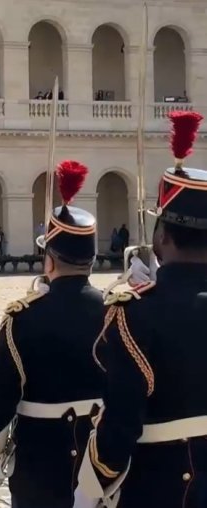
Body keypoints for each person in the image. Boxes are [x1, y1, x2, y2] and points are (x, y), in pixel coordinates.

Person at [75, 111, 207, 508]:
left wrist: (89, 487)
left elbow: (119, 429)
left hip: (162, 487)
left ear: (162, 237)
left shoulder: (134, 313)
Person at [0, 160, 105, 508]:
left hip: (40, 467)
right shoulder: (117, 313)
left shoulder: (23, 317)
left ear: (48, 260)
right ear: (91, 261)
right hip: (102, 463)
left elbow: (0, 398)